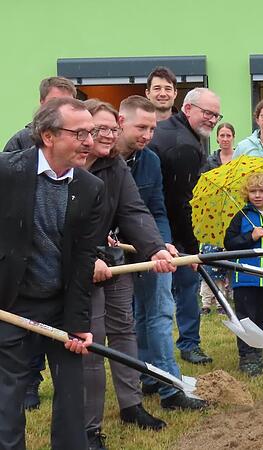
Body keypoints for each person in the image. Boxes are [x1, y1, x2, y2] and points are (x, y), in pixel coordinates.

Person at [0, 97, 104, 450]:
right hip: (10, 301)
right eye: (80, 134)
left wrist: (78, 322)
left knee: (72, 392)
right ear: (48, 136)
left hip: (60, 303)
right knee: (7, 394)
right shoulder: (7, 172)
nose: (89, 142)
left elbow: (83, 259)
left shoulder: (90, 189)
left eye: (91, 133)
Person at [80, 100, 175, 444]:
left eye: (112, 129)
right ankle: (89, 427)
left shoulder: (115, 165)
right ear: (82, 131)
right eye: (99, 129)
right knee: (93, 341)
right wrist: (87, 258)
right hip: (79, 266)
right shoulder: (69, 165)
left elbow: (133, 210)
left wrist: (156, 248)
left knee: (123, 330)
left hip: (113, 260)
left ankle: (131, 404)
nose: (107, 135)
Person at [116, 95, 205, 411]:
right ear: (121, 122)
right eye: (141, 127)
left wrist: (161, 245)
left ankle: (167, 386)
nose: (148, 135)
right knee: (135, 316)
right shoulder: (101, 159)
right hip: (112, 250)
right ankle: (151, 376)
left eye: (152, 128)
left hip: (148, 244)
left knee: (159, 310)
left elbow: (155, 209)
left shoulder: (150, 161)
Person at [149, 87, 221, 365]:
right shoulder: (185, 145)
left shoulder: (172, 130)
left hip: (151, 224)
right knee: (181, 288)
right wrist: (192, 248)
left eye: (216, 115)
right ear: (188, 109)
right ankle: (185, 346)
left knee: (154, 296)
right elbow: (183, 202)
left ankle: (155, 350)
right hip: (166, 228)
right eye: (207, 113)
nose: (212, 120)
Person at [224, 172, 263, 376]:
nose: (257, 195)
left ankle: (257, 354)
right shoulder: (241, 215)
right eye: (253, 191)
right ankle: (246, 357)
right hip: (245, 277)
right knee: (245, 317)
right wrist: (250, 236)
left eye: (262, 191)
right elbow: (229, 243)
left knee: (262, 317)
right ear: (246, 193)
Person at [200, 123, 236, 315]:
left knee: (233, 253)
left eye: (228, 135)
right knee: (213, 254)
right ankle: (209, 300)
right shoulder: (210, 160)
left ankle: (229, 296)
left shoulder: (239, 158)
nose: (225, 139)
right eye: (222, 135)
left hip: (235, 211)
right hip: (215, 212)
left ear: (233, 138)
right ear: (217, 138)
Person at [4, 76, 77, 153]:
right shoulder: (22, 141)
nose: (61, 107)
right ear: (42, 102)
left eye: (67, 102)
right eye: (54, 102)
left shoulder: (82, 138)